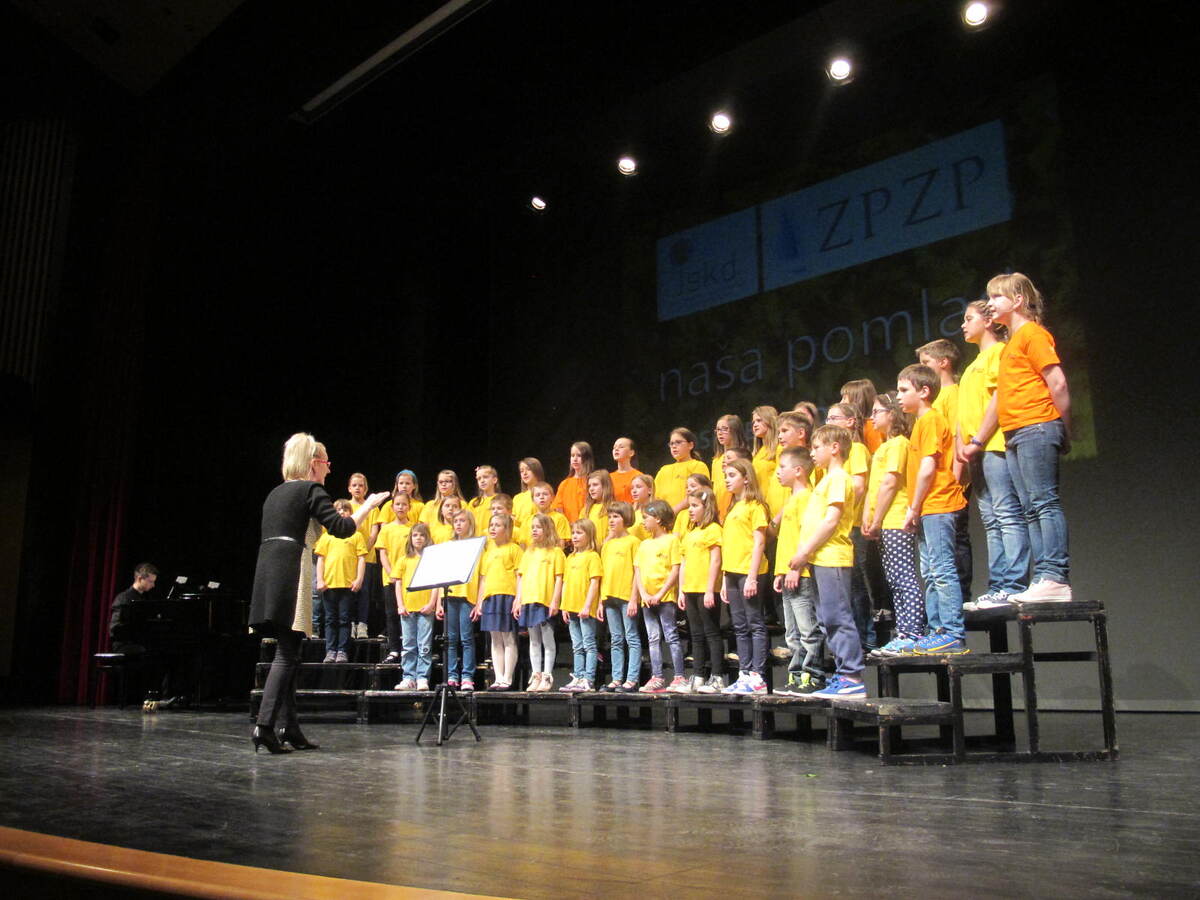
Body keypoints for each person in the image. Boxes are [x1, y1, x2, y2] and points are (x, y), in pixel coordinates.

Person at [249, 432, 386, 753]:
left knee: (290, 649)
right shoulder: (310, 490)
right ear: (313, 464)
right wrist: (369, 505)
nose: (329, 468)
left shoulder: (275, 493)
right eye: (325, 462)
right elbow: (343, 528)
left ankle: (289, 727)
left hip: (268, 570)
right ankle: (265, 726)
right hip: (291, 568)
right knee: (287, 653)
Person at [965, 272, 1072, 602]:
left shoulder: (1032, 334)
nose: (991, 303)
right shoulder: (1012, 343)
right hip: (1016, 431)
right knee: (1029, 508)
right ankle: (1042, 578)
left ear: (1018, 300)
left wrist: (1064, 427)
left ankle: (1055, 576)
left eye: (997, 297)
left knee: (1044, 502)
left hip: (1036, 425)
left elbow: (1057, 383)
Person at [958, 299, 1030, 609]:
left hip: (994, 445)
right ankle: (998, 585)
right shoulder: (972, 365)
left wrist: (978, 439)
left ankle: (1013, 584)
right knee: (991, 519)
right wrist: (963, 446)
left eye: (969, 318)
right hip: (975, 451)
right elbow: (964, 412)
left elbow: (998, 401)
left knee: (1007, 514)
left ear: (988, 322)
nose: (963, 325)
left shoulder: (998, 353)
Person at [791, 425, 867, 700]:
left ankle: (852, 677)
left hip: (832, 556)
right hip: (820, 558)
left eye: (816, 447)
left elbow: (831, 521)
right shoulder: (825, 480)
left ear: (834, 448)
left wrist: (804, 552)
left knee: (838, 617)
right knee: (826, 619)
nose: (812, 453)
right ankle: (843, 675)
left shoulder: (838, 478)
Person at [898, 364, 969, 655]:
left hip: (938, 503)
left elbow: (928, 468)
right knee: (929, 572)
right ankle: (937, 630)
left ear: (924, 391)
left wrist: (913, 507)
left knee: (941, 570)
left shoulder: (931, 420)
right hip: (929, 507)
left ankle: (952, 632)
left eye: (904, 390)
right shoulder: (920, 423)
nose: (899, 396)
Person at [863, 392, 927, 656]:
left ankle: (914, 632)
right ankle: (903, 632)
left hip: (896, 518)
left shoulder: (899, 444)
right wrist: (869, 518)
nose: (872, 417)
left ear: (891, 414)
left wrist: (877, 519)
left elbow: (890, 483)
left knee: (904, 577)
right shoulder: (884, 446)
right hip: (885, 522)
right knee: (893, 579)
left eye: (876, 412)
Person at [772, 446, 826, 695]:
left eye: (782, 467)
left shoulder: (807, 498)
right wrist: (780, 572)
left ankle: (814, 676)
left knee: (807, 630)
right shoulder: (792, 499)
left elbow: (806, 536)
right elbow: (787, 539)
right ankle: (796, 676)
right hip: (788, 574)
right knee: (791, 633)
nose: (777, 472)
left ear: (798, 470)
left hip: (801, 575)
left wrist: (797, 568)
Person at [719, 457, 770, 694]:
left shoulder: (755, 506)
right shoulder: (733, 507)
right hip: (732, 572)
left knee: (755, 623)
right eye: (726, 476)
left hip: (749, 571)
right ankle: (744, 673)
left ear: (746, 478)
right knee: (739, 626)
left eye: (732, 476)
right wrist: (724, 579)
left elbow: (759, 543)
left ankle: (758, 677)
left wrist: (752, 577)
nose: (727, 480)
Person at [634, 499, 686, 693]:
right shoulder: (644, 544)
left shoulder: (671, 540)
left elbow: (675, 569)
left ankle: (679, 676)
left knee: (671, 635)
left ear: (657, 518)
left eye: (646, 518)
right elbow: (638, 570)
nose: (643, 522)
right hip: (647, 599)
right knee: (653, 638)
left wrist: (660, 593)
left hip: (664, 598)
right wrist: (644, 594)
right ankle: (657, 677)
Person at [678, 489, 725, 693]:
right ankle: (698, 676)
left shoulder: (713, 529)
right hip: (690, 589)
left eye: (695, 506)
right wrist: (681, 591)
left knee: (711, 633)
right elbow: (684, 562)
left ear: (707, 507)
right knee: (695, 634)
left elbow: (716, 560)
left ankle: (717, 677)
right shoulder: (690, 533)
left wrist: (709, 589)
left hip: (706, 589)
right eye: (690, 505)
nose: (690, 510)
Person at [512, 514, 565, 691]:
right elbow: (521, 577)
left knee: (547, 640)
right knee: (534, 640)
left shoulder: (556, 552)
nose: (534, 530)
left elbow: (559, 578)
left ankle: (547, 675)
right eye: (533, 527)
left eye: (539, 527)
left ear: (548, 529)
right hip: (529, 600)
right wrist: (518, 600)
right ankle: (536, 675)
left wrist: (555, 601)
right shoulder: (528, 552)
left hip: (545, 600)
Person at [108, 562, 172, 708]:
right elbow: (115, 629)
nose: (153, 585)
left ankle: (158, 697)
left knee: (163, 654)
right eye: (150, 581)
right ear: (139, 579)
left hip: (139, 643)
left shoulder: (145, 600)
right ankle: (149, 696)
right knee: (151, 654)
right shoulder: (123, 598)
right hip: (124, 645)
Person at [313, 499, 367, 663]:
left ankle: (342, 650)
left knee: (345, 619)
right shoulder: (326, 536)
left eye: (345, 509)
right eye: (338, 510)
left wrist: (359, 579)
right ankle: (330, 650)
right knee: (330, 619)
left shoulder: (356, 535)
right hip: (329, 585)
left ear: (351, 513)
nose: (342, 512)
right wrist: (320, 580)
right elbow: (321, 560)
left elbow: (361, 559)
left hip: (347, 584)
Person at [598, 501, 642, 692]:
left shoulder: (633, 542)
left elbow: (637, 572)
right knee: (616, 639)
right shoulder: (607, 544)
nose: (611, 520)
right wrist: (601, 601)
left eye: (616, 516)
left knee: (631, 637)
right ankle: (617, 678)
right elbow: (603, 573)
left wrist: (633, 598)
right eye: (610, 517)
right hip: (609, 597)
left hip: (626, 596)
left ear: (626, 519)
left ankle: (632, 679)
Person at [478, 513, 522, 690]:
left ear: (507, 529)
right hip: (490, 597)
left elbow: (520, 576)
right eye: (491, 525)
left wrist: (518, 599)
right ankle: (498, 677)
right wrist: (480, 601)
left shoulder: (514, 549)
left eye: (497, 525)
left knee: (508, 637)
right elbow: (483, 579)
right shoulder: (487, 553)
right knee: (495, 638)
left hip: (507, 596)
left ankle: (508, 678)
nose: (493, 528)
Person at [558, 519, 603, 692]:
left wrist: (587, 606)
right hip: (571, 607)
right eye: (573, 533)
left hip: (585, 609)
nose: (574, 536)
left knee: (588, 644)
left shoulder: (592, 557)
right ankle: (578, 675)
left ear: (589, 535)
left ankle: (588, 679)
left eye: (579, 533)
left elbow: (594, 583)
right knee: (576, 645)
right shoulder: (570, 557)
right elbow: (566, 582)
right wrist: (564, 606)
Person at [439, 509, 480, 691]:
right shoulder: (448, 546)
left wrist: (479, 602)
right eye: (456, 521)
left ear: (470, 523)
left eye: (462, 521)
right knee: (450, 639)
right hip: (450, 595)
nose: (458, 524)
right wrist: (439, 602)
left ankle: (467, 676)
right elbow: (441, 574)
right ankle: (452, 675)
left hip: (467, 596)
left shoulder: (476, 545)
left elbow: (481, 575)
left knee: (466, 638)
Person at [394, 522, 438, 691]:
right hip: (408, 608)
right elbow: (398, 584)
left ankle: (422, 677)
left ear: (427, 538)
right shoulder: (404, 560)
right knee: (408, 645)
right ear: (410, 538)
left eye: (422, 535)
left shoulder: (431, 560)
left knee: (424, 645)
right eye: (415, 535)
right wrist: (400, 605)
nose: (418, 538)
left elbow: (436, 584)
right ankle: (408, 677)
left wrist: (432, 603)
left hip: (425, 608)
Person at [654, 427, 708, 515]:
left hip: (688, 516)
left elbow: (699, 494)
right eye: (671, 443)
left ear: (690, 445)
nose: (674, 446)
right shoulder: (664, 470)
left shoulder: (698, 466)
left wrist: (672, 513)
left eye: (678, 442)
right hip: (664, 518)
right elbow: (655, 498)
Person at [553, 442, 594, 523]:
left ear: (587, 458)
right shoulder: (565, 484)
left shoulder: (592, 482)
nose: (575, 459)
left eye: (579, 455)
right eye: (572, 455)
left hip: (587, 526)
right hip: (569, 527)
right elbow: (558, 508)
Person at [609, 437, 643, 504]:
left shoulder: (639, 476)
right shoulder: (609, 478)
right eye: (614, 447)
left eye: (621, 447)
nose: (616, 449)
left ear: (631, 453)